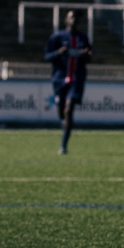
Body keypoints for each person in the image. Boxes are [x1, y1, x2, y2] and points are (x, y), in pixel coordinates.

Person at [44, 10, 91, 154]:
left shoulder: (83, 38)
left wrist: (85, 55)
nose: (74, 20)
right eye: (71, 17)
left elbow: (90, 56)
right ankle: (64, 124)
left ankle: (63, 146)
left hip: (76, 79)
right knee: (62, 112)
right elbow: (46, 56)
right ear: (66, 20)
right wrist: (58, 53)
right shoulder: (57, 37)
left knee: (69, 109)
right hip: (59, 79)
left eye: (76, 17)